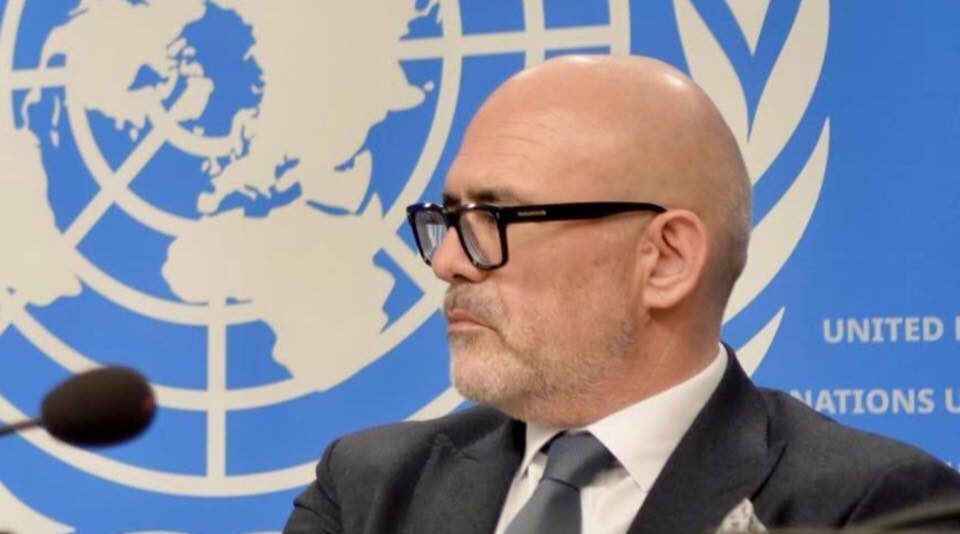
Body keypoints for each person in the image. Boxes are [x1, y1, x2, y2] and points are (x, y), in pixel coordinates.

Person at [283, 55, 960, 533]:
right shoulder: (371, 490)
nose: (448, 262)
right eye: (448, 219)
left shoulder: (866, 507)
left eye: (495, 219)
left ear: (665, 260)